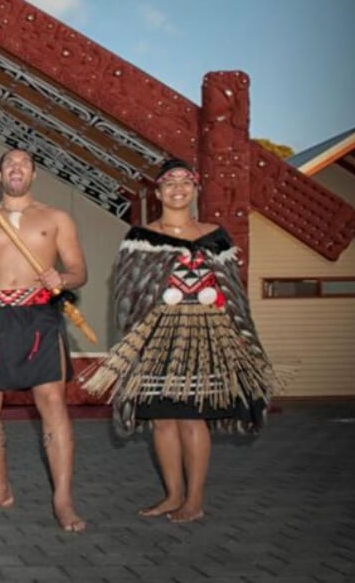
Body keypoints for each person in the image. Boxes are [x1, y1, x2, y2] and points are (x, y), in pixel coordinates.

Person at [81, 158, 279, 523]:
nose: (177, 188)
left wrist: (223, 313)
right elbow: (129, 293)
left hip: (206, 335)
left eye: (185, 182)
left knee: (192, 418)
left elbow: (233, 291)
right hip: (157, 335)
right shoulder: (140, 238)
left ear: (195, 189)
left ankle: (195, 499)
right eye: (169, 183)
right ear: (158, 193)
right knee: (162, 419)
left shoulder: (215, 235)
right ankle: (172, 495)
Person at [0, 148, 88, 532]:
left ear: (34, 174)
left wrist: (63, 279)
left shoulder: (55, 218)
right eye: (9, 163)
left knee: (52, 403)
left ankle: (63, 499)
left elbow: (78, 271)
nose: (16, 168)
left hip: (39, 316)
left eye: (24, 163)